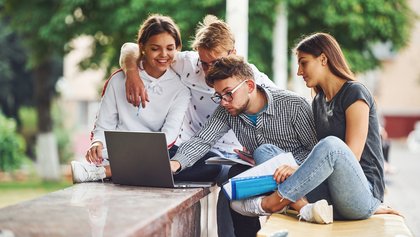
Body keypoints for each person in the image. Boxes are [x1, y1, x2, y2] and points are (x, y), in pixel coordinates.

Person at [119, 15, 278, 237]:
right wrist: (132, 72)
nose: (209, 71)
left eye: (216, 63)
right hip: (194, 150)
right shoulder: (188, 64)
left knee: (232, 188)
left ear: (233, 54)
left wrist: (262, 151)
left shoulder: (254, 80)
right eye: (204, 63)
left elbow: (279, 113)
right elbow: (131, 48)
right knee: (159, 167)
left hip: (233, 159)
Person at [230, 33, 400, 232]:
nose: (299, 71)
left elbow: (351, 155)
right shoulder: (318, 102)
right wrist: (290, 167)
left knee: (332, 145)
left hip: (361, 194)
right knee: (265, 151)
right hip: (328, 195)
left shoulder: (355, 93)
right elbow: (317, 157)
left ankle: (273, 203)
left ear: (323, 59)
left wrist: (297, 170)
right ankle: (304, 208)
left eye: (304, 63)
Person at [170, 54, 317, 236]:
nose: (224, 101)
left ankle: (300, 206)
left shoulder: (294, 105)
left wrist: (289, 166)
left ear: (249, 86)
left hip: (301, 179)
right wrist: (174, 164)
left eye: (228, 93)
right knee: (235, 176)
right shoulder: (227, 110)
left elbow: (316, 152)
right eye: (219, 96)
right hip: (267, 182)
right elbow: (203, 139)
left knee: (263, 153)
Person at [70, 14, 196, 183]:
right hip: (116, 153)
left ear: (178, 48)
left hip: (155, 155)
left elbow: (169, 136)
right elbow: (103, 125)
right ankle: (104, 169)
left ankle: (102, 172)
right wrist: (97, 144)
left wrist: (139, 154)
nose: (163, 54)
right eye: (155, 48)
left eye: (170, 48)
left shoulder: (181, 90)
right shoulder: (118, 80)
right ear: (142, 47)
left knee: (203, 166)